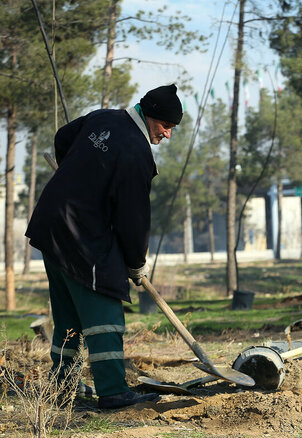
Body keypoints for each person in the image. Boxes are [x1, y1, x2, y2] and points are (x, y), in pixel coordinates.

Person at [25, 84, 183, 408]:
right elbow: (133, 216)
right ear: (150, 116)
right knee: (106, 301)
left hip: (50, 223)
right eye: (166, 126)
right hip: (80, 235)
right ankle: (112, 391)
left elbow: (62, 138)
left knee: (68, 314)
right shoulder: (137, 152)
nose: (167, 135)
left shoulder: (102, 118)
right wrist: (137, 263)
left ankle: (63, 386)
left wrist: (80, 178)